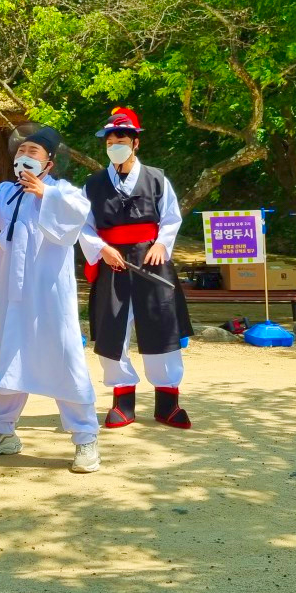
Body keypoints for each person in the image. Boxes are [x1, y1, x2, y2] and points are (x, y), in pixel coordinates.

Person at [0, 126, 101, 474]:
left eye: (33, 152)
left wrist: (45, 195)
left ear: (49, 163)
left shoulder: (64, 192)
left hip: (50, 294)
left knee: (65, 358)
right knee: (5, 358)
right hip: (12, 295)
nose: (24, 156)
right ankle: (1, 431)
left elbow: (73, 225)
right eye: (21, 150)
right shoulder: (4, 192)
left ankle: (85, 437)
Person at [79, 107, 194, 430]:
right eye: (109, 142)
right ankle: (122, 401)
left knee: (161, 325)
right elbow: (84, 225)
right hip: (112, 262)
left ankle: (168, 402)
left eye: (121, 140)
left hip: (152, 261)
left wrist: (162, 244)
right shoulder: (93, 184)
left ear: (135, 143)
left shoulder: (156, 179)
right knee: (112, 327)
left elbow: (171, 217)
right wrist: (101, 249)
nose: (114, 145)